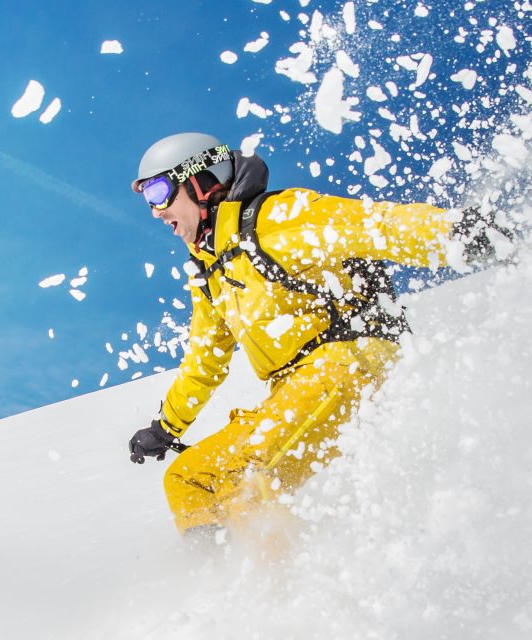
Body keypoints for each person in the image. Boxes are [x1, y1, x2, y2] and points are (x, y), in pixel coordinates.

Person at [124, 132, 508, 538]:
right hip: (294, 388)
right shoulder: (210, 272)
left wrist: (457, 232)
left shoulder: (276, 218)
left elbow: (373, 225)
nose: (155, 211)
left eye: (160, 191)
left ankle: (277, 587)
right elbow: (204, 361)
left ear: (203, 179)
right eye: (148, 200)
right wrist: (166, 427)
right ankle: (217, 574)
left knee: (242, 475)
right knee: (188, 478)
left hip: (347, 363)